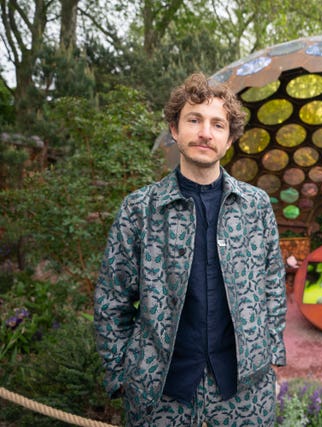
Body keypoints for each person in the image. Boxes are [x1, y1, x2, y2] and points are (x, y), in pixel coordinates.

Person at [94, 72, 287, 426]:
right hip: (161, 392)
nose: (204, 132)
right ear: (174, 128)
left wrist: (271, 351)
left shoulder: (255, 206)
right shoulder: (140, 209)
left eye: (217, 124)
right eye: (194, 120)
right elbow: (112, 299)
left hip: (244, 390)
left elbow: (273, 283)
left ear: (229, 139)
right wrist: (122, 374)